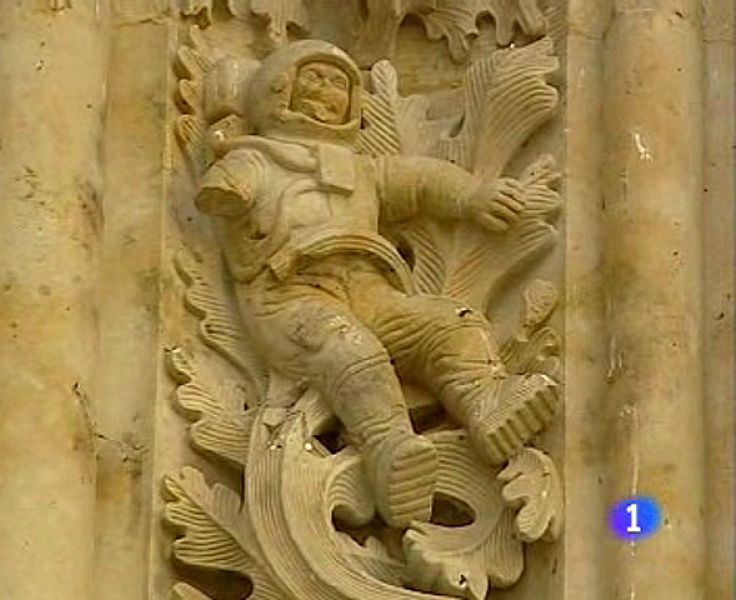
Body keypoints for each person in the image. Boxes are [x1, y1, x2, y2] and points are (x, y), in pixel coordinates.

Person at [196, 40, 558, 528]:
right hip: (290, 296)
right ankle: (389, 451)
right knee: (351, 353)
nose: (326, 92)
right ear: (278, 90)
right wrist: (230, 184)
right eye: (313, 78)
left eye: (338, 83)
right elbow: (222, 192)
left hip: (369, 289)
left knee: (449, 324)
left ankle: (484, 402)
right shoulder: (256, 159)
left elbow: (422, 182)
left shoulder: (361, 167)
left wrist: (473, 196)